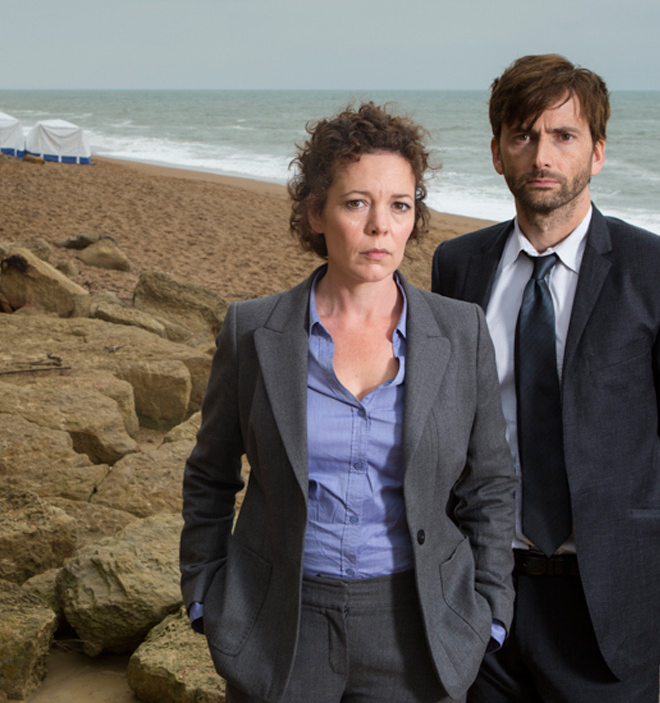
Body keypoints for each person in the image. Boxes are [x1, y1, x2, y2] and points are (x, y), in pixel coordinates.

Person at [180, 102, 517, 703]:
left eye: (400, 205)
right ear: (316, 212)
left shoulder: (461, 332)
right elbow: (210, 475)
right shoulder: (252, 331)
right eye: (357, 202)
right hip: (281, 623)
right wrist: (206, 593)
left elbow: (490, 484)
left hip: (418, 627)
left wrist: (489, 610)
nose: (380, 226)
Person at [431, 54, 660, 702]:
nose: (542, 155)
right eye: (523, 135)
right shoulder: (458, 265)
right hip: (483, 589)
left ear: (597, 153)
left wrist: (626, 528)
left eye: (563, 136)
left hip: (604, 601)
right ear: (497, 152)